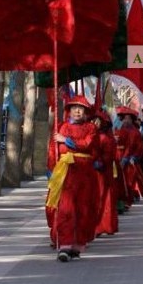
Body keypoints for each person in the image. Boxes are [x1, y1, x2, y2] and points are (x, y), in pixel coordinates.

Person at [45, 95, 99, 262]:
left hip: (84, 172)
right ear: (68, 110)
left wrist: (66, 140)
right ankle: (65, 245)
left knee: (83, 208)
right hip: (66, 172)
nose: (77, 111)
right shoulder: (62, 127)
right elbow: (53, 149)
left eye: (81, 108)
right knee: (65, 208)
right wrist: (51, 168)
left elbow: (87, 144)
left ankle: (77, 244)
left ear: (85, 111)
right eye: (74, 107)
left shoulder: (91, 128)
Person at [91, 109, 118, 237]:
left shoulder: (105, 138)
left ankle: (100, 225)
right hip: (90, 171)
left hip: (101, 172)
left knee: (101, 197)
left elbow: (109, 155)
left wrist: (99, 162)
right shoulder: (91, 136)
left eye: (97, 121)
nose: (94, 123)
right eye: (93, 120)